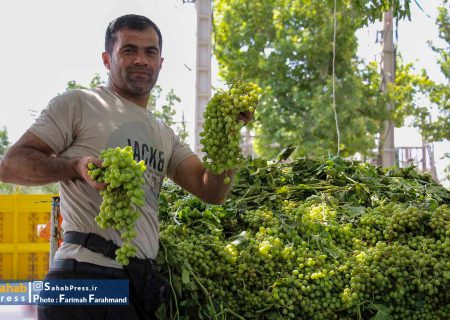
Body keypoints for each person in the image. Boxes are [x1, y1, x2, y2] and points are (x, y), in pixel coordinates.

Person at [0, 14, 254, 320]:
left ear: (161, 62)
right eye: (129, 50)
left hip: (136, 283)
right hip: (82, 276)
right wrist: (75, 167)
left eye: (150, 52)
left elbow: (211, 190)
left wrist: (229, 135)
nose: (141, 60)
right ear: (107, 59)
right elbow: (10, 165)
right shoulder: (78, 104)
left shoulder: (164, 134)